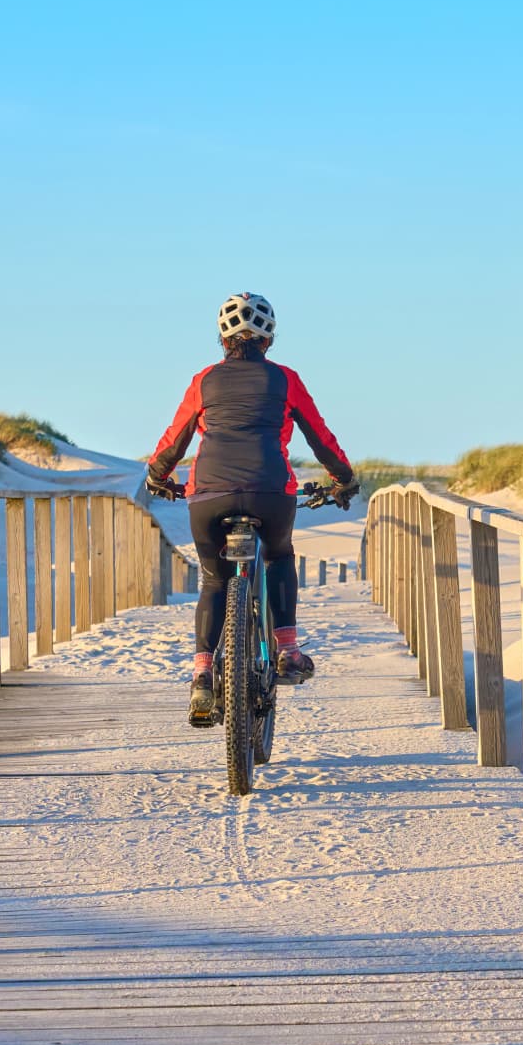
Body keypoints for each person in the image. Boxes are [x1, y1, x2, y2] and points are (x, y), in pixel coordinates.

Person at [146, 292, 357, 724]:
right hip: (269, 490)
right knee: (279, 555)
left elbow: (175, 438)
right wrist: (343, 479)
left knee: (213, 580)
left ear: (222, 339)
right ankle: (289, 650)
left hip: (209, 494)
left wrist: (157, 476)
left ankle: (203, 677)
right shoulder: (285, 379)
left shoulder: (204, 380)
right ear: (269, 338)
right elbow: (320, 436)